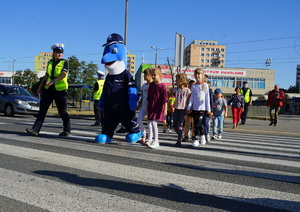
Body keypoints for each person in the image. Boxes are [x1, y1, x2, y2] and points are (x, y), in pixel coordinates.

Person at [26, 43, 71, 136]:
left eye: (61, 52)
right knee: (42, 109)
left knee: (62, 111)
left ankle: (67, 129)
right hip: (48, 89)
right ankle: (35, 129)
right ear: (53, 53)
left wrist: (54, 81)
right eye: (58, 52)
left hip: (60, 90)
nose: (60, 54)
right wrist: (40, 86)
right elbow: (46, 75)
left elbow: (63, 74)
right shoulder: (50, 62)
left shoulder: (64, 62)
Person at [186, 68, 211, 146]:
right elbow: (192, 97)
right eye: (196, 74)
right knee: (196, 124)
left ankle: (199, 137)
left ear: (202, 75)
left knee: (198, 123)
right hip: (194, 108)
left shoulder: (205, 85)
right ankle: (199, 137)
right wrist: (189, 107)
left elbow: (207, 98)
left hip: (202, 108)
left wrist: (208, 109)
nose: (197, 76)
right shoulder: (193, 86)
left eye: (199, 74)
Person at [147, 66, 168, 149]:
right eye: (152, 75)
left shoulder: (163, 86)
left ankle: (156, 141)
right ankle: (151, 138)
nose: (153, 77)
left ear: (160, 75)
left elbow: (165, 98)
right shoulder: (151, 85)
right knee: (150, 122)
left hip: (158, 107)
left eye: (154, 75)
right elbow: (149, 96)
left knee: (154, 123)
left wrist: (165, 109)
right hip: (151, 106)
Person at [173, 73, 191, 147]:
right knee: (174, 125)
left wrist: (189, 108)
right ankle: (181, 133)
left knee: (179, 124)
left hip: (183, 109)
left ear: (181, 80)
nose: (176, 81)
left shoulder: (187, 91)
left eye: (177, 80)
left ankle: (179, 140)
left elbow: (190, 100)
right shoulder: (175, 89)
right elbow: (172, 97)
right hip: (176, 108)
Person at [136, 67, 152, 145]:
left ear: (150, 75)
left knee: (150, 123)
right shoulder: (144, 86)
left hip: (150, 108)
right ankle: (144, 134)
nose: (144, 76)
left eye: (145, 75)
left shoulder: (153, 85)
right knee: (139, 120)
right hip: (143, 107)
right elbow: (142, 96)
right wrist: (139, 104)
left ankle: (149, 138)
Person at [203, 75, 214, 142]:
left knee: (206, 122)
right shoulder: (199, 88)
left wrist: (211, 110)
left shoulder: (210, 91)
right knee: (201, 123)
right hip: (200, 108)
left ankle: (206, 133)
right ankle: (202, 134)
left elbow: (211, 101)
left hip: (207, 109)